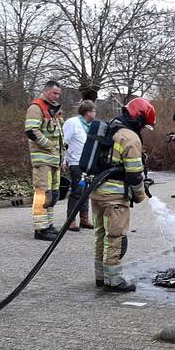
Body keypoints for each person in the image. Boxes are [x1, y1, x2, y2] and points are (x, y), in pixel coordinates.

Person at [91, 97, 155, 292]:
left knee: (100, 234)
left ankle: (101, 277)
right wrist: (140, 195)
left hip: (97, 191)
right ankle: (114, 280)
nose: (143, 129)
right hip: (116, 196)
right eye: (144, 125)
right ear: (139, 119)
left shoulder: (110, 128)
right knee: (115, 237)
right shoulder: (130, 138)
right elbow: (134, 174)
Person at [24, 81, 65, 240]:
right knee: (43, 194)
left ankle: (48, 225)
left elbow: (59, 135)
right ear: (46, 91)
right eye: (55, 93)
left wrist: (61, 155)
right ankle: (40, 229)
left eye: (58, 94)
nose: (57, 96)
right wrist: (49, 146)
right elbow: (31, 131)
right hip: (43, 160)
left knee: (53, 194)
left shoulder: (54, 110)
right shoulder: (36, 108)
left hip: (54, 160)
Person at [62, 99, 96, 231]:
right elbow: (64, 141)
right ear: (88, 112)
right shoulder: (73, 123)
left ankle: (84, 218)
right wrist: (64, 160)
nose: (95, 114)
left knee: (86, 192)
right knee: (77, 192)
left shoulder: (89, 126)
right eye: (94, 111)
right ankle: (70, 220)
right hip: (76, 163)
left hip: (87, 164)